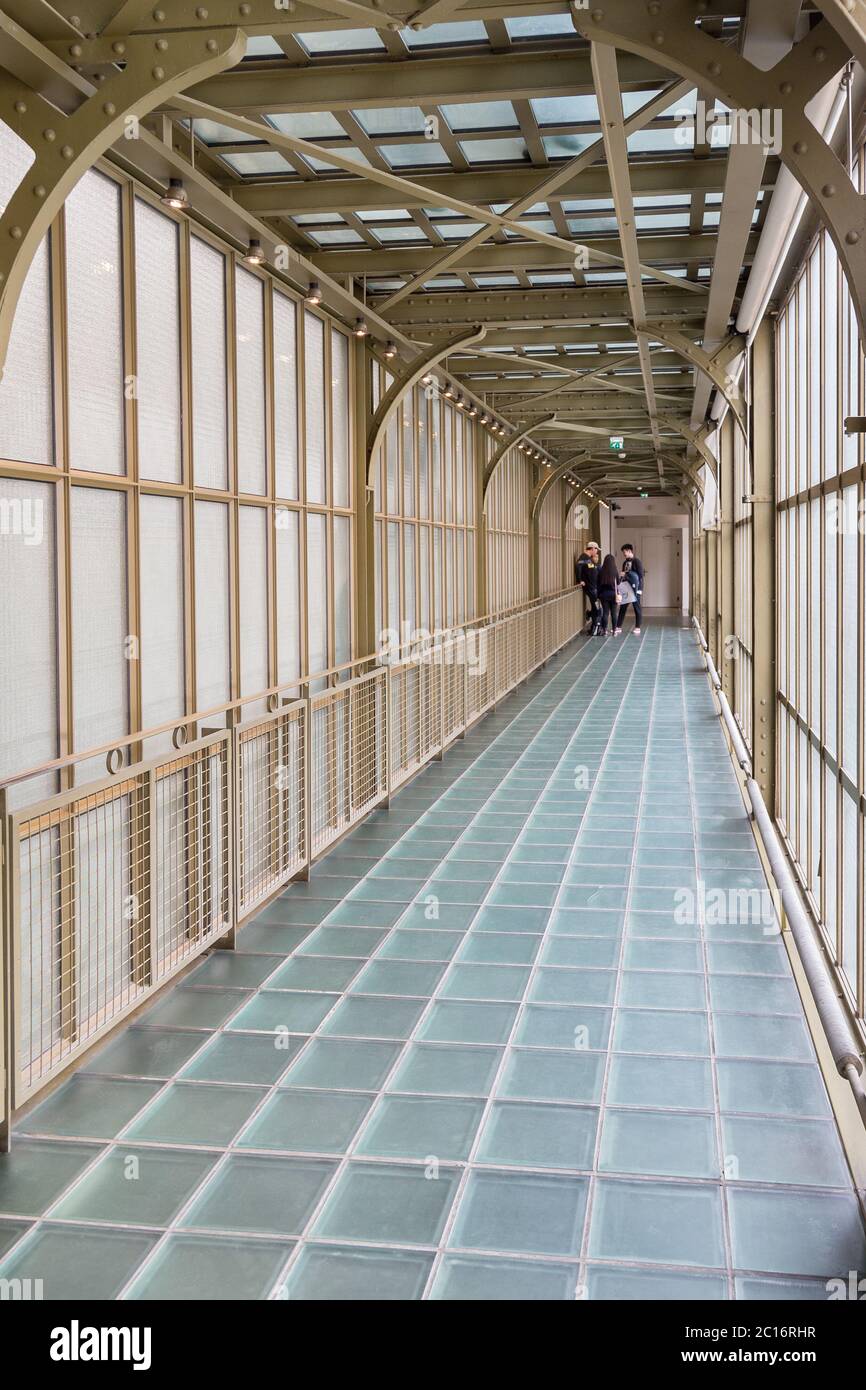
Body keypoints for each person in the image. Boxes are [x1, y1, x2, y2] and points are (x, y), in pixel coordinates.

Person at [615, 543, 644, 635]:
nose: (624, 554)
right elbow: (624, 575)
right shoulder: (625, 562)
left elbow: (640, 575)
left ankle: (638, 627)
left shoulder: (637, 561)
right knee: (623, 607)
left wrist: (640, 589)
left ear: (629, 551)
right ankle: (618, 627)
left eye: (625, 552)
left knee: (637, 607)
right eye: (623, 552)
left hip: (636, 588)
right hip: (627, 587)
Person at [575, 541, 601, 633]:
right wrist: (580, 580)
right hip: (590, 588)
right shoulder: (583, 558)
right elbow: (578, 567)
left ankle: (594, 626)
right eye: (596, 550)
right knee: (597, 607)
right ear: (593, 548)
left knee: (596, 607)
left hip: (593, 587)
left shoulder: (589, 559)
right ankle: (595, 628)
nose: (597, 552)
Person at [596, 553, 620, 635]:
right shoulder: (615, 571)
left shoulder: (601, 571)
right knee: (614, 613)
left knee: (605, 613)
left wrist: (598, 595)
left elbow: (598, 584)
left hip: (604, 595)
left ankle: (604, 630)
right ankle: (614, 630)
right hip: (614, 595)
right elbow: (618, 582)